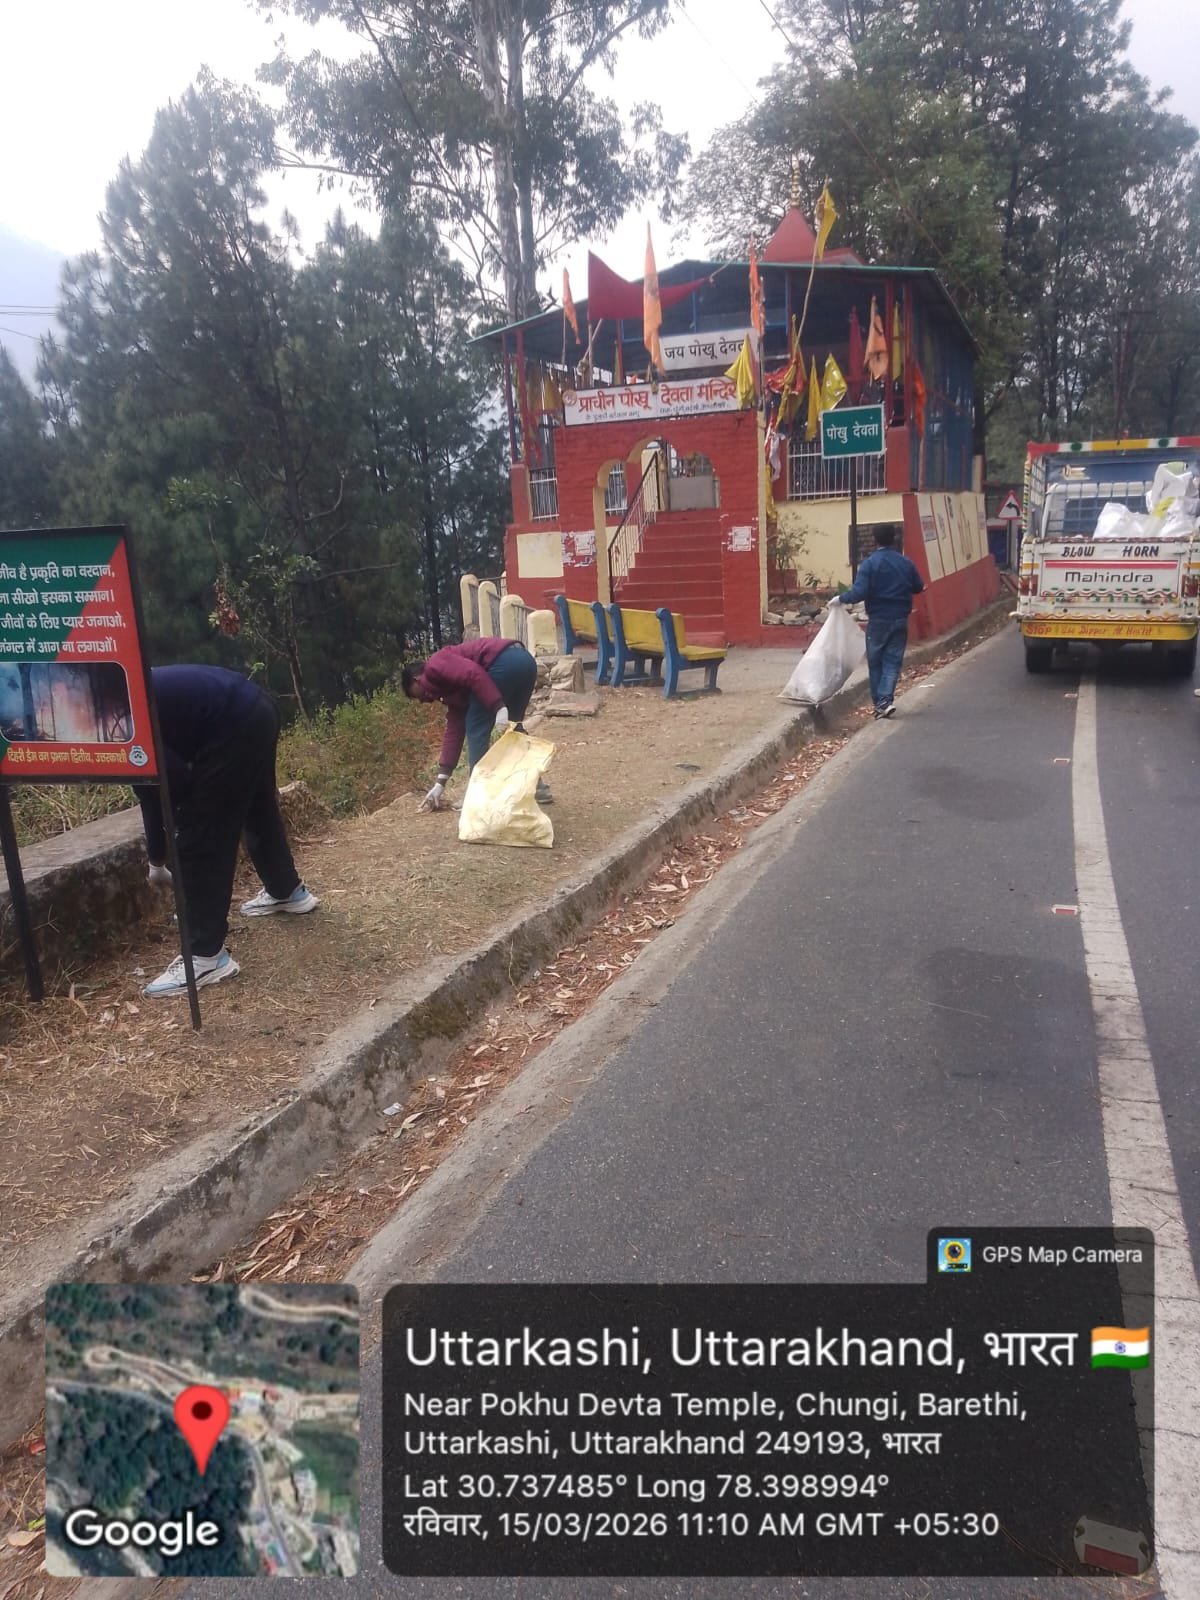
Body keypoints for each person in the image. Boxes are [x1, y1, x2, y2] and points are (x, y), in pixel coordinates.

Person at [136, 665, 318, 998]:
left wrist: (176, 848)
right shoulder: (119, 694)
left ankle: (205, 956)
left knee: (200, 831)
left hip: (232, 722)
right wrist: (157, 859)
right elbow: (149, 788)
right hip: (256, 707)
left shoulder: (118, 721)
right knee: (257, 806)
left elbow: (173, 785)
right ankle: (287, 891)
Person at [401, 638, 550, 811]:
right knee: (514, 730)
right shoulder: (451, 690)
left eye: (416, 695)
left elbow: (473, 673)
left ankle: (476, 796)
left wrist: (498, 706)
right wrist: (440, 782)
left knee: (476, 727)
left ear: (416, 679)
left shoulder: (435, 665)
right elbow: (454, 732)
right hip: (525, 662)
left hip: (503, 662)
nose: (421, 701)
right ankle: (537, 787)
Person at [831, 526, 924, 718]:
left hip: (879, 620)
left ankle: (881, 702)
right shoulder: (906, 562)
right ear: (894, 539)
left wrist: (840, 599)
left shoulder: (870, 564)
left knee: (876, 662)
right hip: (900, 618)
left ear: (875, 540)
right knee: (892, 661)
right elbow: (918, 586)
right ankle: (885, 701)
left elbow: (859, 593)